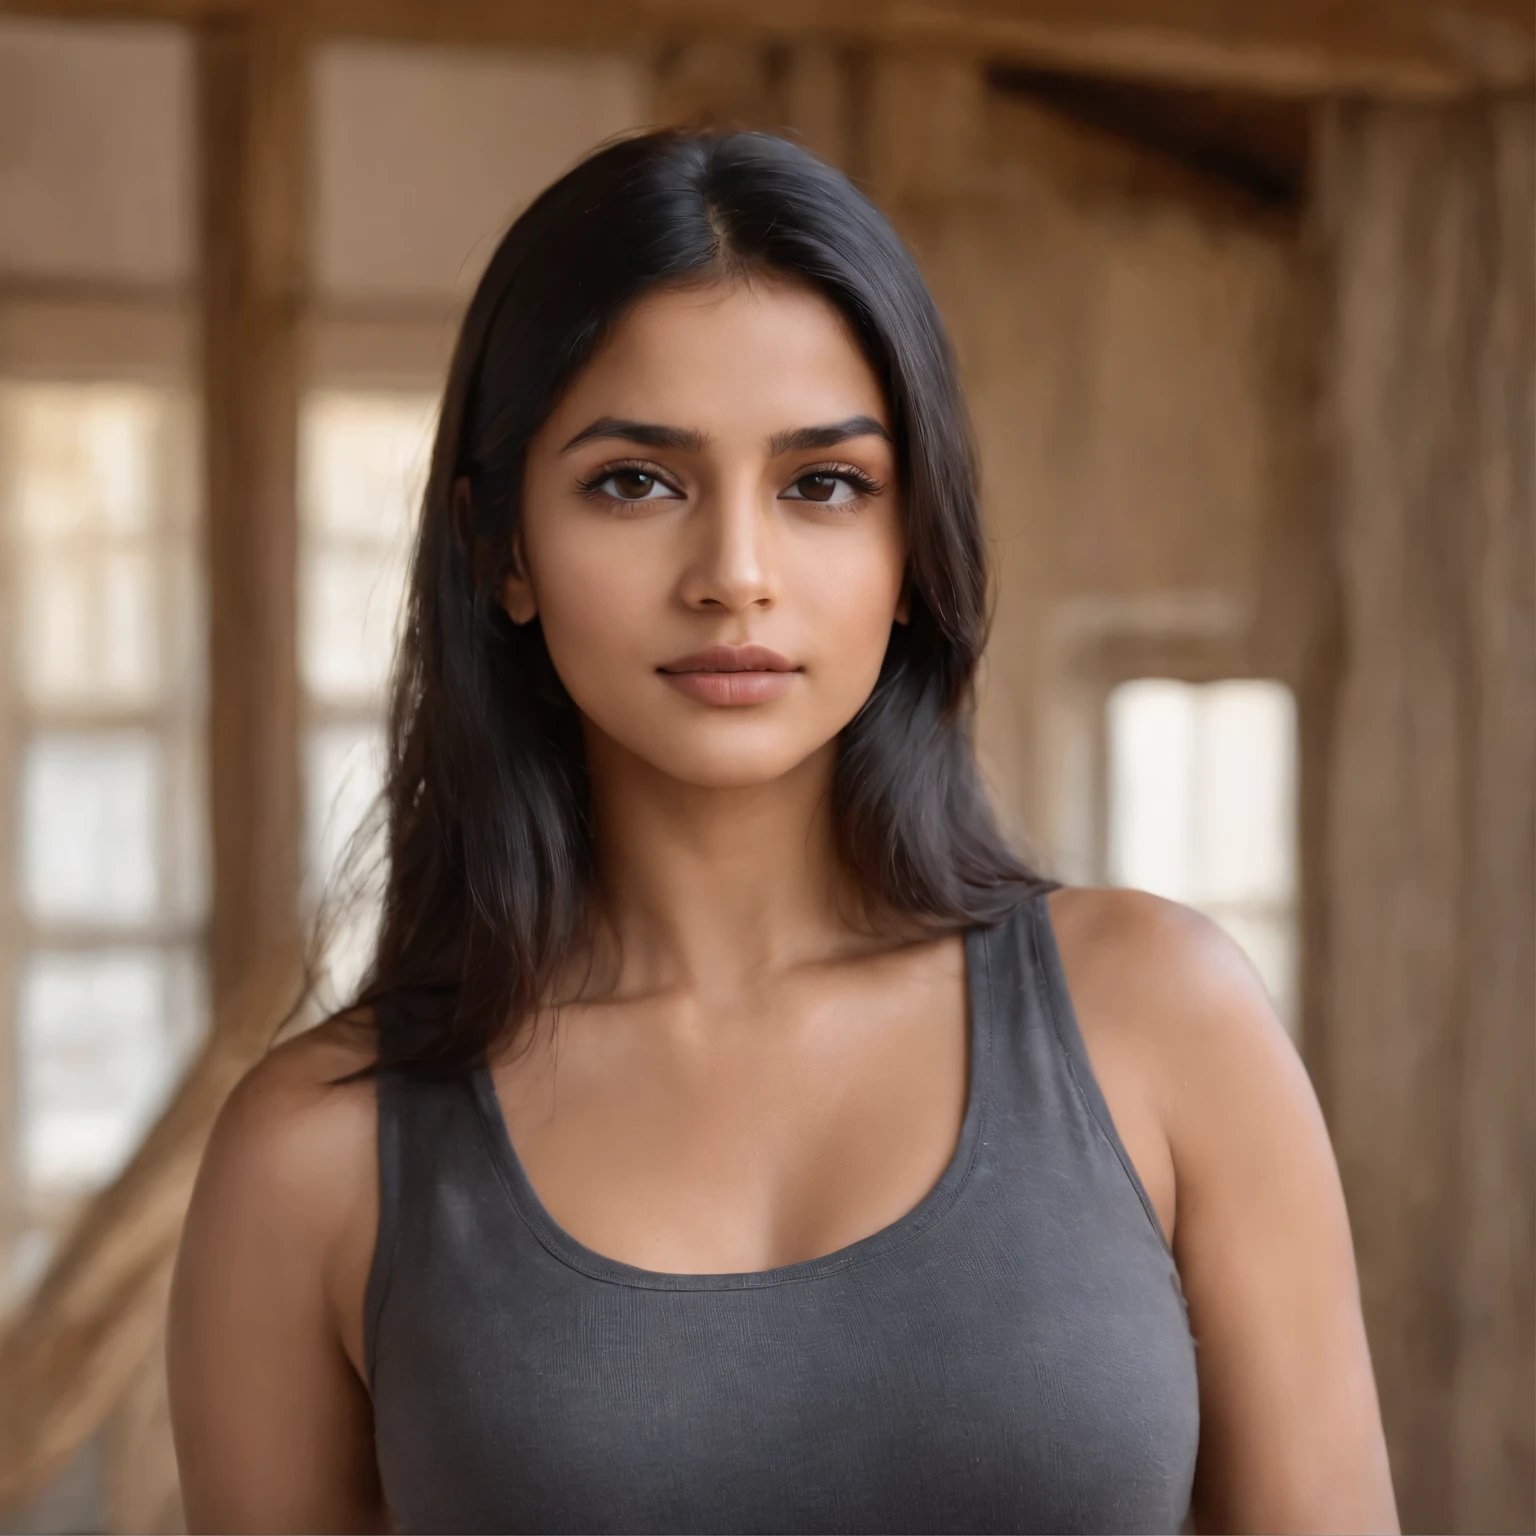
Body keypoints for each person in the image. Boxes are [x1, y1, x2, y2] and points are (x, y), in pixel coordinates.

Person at [166, 127, 1397, 1535]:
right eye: (637, 480)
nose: (734, 576)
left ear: (910, 549)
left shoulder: (1165, 1024)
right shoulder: (311, 1161)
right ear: (499, 546)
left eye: (823, 485)